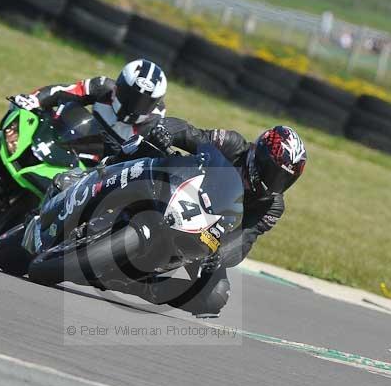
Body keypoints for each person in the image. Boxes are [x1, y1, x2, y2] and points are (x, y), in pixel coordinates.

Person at [114, 120, 307, 318]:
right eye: (273, 172)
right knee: (148, 144)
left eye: (285, 179)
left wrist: (217, 255)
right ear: (260, 156)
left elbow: (244, 239)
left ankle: (137, 286)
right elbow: (192, 134)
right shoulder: (233, 145)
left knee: (216, 295)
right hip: (176, 189)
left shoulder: (272, 206)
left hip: (203, 236)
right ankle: (105, 169)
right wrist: (166, 132)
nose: (276, 183)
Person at [0, 59, 169, 164]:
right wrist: (34, 100)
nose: (134, 105)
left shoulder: (155, 121)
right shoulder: (103, 87)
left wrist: (159, 145)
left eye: (143, 102)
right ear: (119, 87)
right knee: (24, 114)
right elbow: (62, 91)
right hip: (71, 134)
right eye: (131, 96)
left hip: (98, 164)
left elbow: (140, 158)